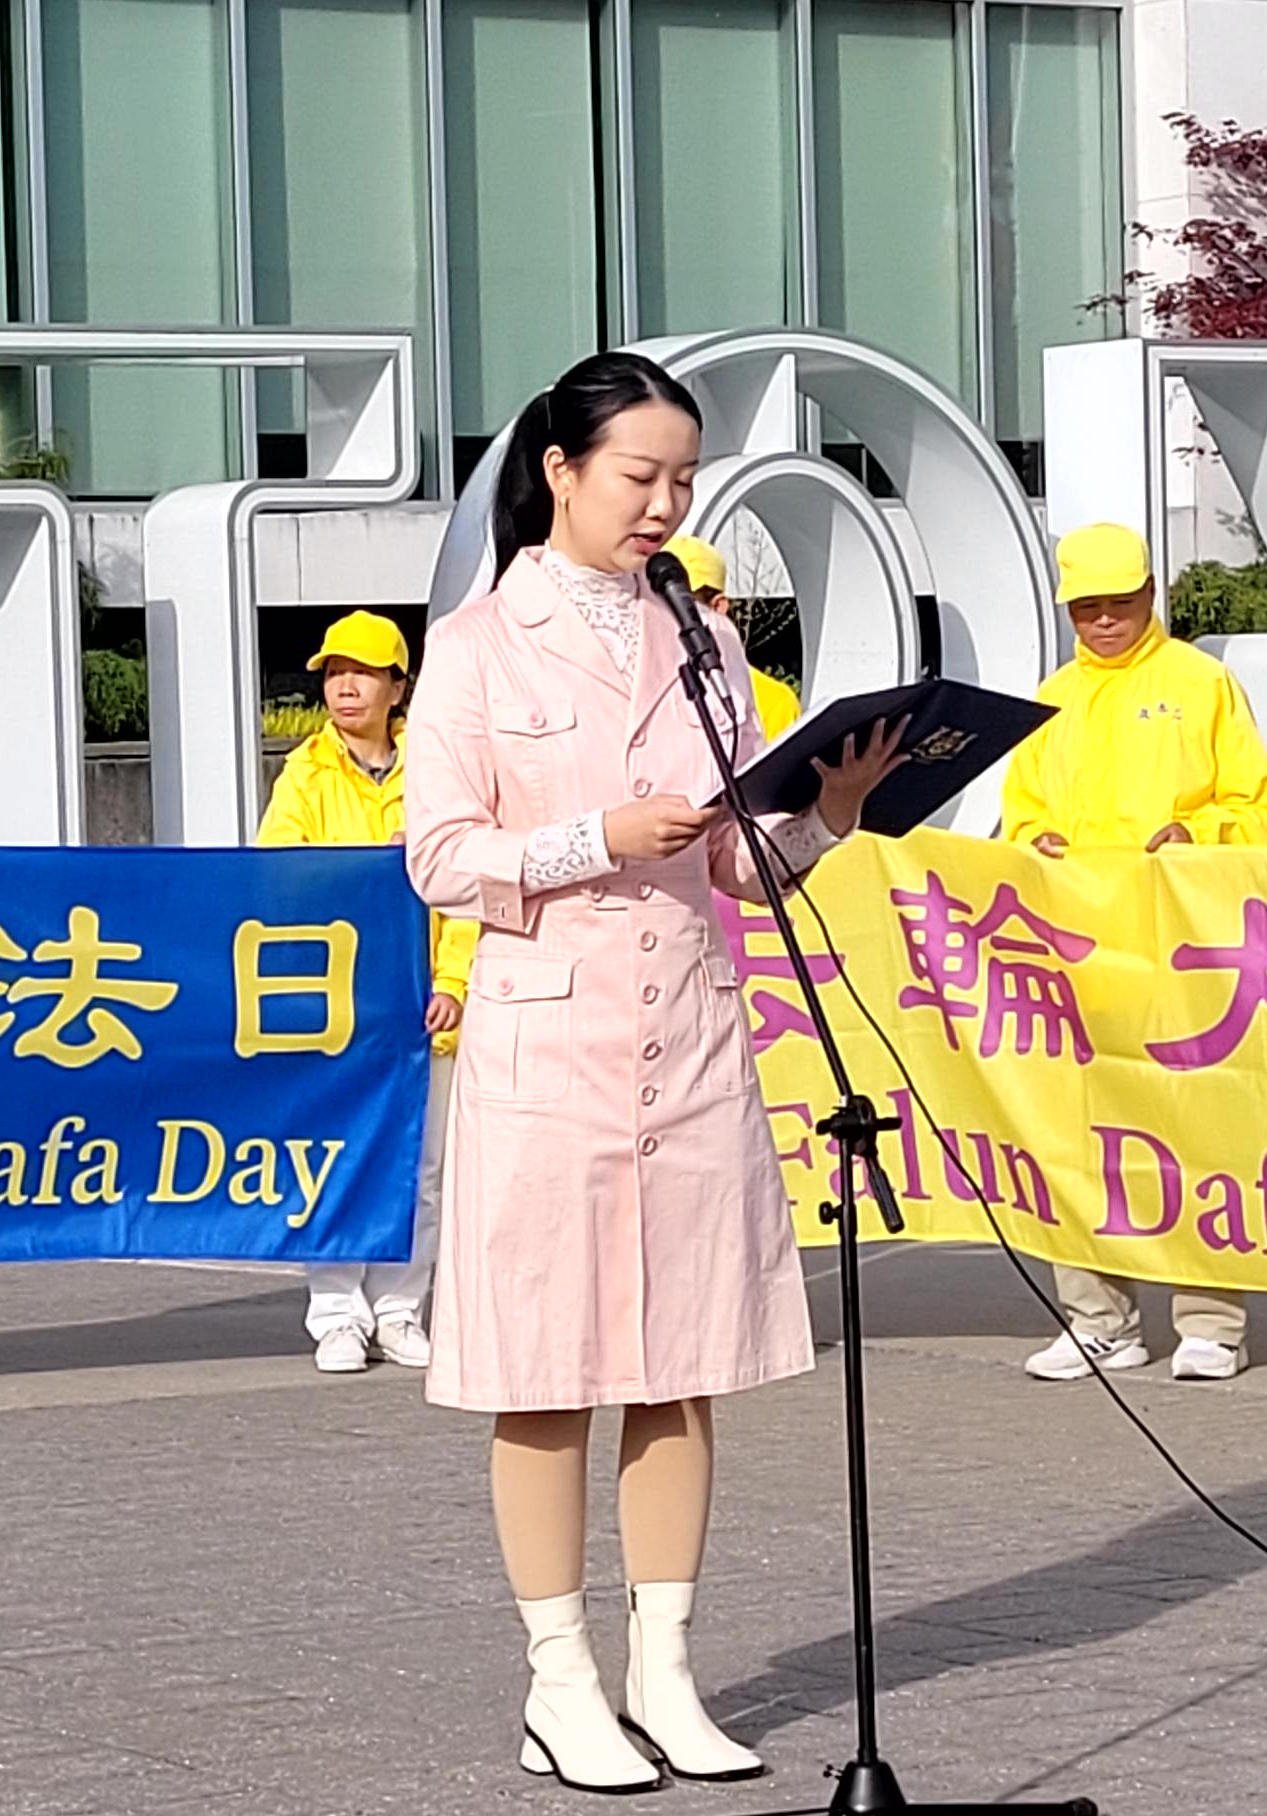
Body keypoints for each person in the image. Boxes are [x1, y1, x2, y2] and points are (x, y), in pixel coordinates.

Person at [402, 351, 902, 1794]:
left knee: (683, 1370)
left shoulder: (705, 639)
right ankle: (560, 1681)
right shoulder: (477, 646)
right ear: (562, 471)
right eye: (641, 475)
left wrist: (831, 815)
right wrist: (593, 841)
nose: (665, 504)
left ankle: (666, 1673)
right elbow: (439, 856)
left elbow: (740, 863)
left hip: (690, 1036)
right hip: (545, 1042)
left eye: (684, 479)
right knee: (546, 1372)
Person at [999, 521, 1267, 1385]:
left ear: (1150, 592)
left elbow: (1263, 806)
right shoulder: (1052, 699)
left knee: (1194, 1133)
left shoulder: (1201, 684)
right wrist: (1034, 840)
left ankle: (1211, 1322)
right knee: (1076, 1140)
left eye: (1118, 602)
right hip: (1077, 956)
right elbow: (1020, 813)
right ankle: (1099, 1320)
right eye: (1085, 606)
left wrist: (1199, 833)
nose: (1103, 620)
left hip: (1182, 953)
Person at [256, 609, 477, 1373]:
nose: (344, 687)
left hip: (423, 1004)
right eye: (333, 673)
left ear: (398, 687)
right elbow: (277, 876)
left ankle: (400, 1308)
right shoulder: (306, 772)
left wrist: (454, 980)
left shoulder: (438, 770)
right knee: (335, 1160)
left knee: (424, 1169)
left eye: (362, 673)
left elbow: (467, 886)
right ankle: (337, 1314)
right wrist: (364, 866)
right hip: (340, 1004)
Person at [660, 536, 799, 737]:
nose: (665, 613)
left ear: (718, 606)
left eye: (681, 604)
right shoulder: (641, 693)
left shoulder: (773, 703)